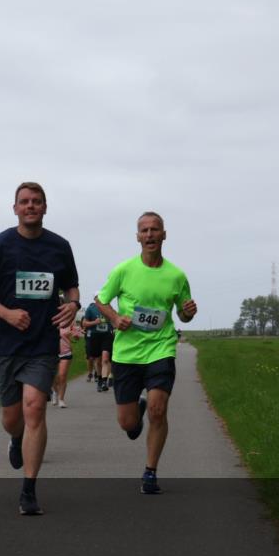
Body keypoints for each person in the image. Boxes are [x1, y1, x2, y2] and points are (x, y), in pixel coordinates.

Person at [0, 181, 80, 515]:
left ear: (45, 208)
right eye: (24, 201)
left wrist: (73, 305)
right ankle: (15, 439)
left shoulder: (60, 247)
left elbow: (71, 287)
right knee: (12, 418)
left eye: (37, 201)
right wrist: (6, 313)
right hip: (5, 344)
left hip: (43, 344)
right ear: (14, 208)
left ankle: (29, 489)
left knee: (35, 408)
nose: (31, 206)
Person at [94, 212, 197, 495]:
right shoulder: (124, 270)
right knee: (127, 423)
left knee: (158, 408)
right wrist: (115, 319)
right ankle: (134, 412)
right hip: (127, 353)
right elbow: (100, 300)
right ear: (137, 237)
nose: (150, 235)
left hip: (161, 348)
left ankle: (150, 472)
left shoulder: (177, 276)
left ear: (164, 235)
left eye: (155, 230)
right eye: (144, 230)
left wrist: (187, 314)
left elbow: (183, 315)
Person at [81, 300, 114, 392]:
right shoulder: (91, 309)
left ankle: (104, 381)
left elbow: (115, 321)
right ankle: (99, 379)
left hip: (107, 336)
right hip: (95, 336)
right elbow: (84, 323)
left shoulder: (109, 308)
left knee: (105, 359)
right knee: (98, 361)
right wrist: (95, 322)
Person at [51, 322, 83, 408]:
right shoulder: (51, 319)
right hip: (51, 353)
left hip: (66, 352)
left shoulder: (70, 322)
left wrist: (75, 336)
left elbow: (77, 338)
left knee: (62, 375)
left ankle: (61, 399)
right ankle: (55, 391)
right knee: (53, 376)